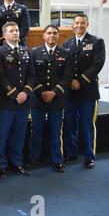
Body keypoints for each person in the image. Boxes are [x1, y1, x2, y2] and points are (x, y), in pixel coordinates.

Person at [63, 14, 106, 169]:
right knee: (69, 124)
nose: (79, 25)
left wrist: (79, 81)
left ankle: (89, 156)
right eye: (77, 23)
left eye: (82, 23)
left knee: (87, 125)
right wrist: (70, 82)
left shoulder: (96, 42)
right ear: (73, 25)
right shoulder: (67, 43)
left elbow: (97, 64)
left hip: (88, 91)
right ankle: (71, 153)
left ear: (87, 24)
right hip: (70, 92)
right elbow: (65, 65)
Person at [0, 22, 35, 178]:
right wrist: (14, 93)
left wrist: (25, 92)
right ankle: (2, 164)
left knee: (19, 134)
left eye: (17, 30)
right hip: (6, 101)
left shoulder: (26, 51)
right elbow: (0, 76)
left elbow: (32, 75)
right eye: (11, 31)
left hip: (23, 101)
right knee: (3, 135)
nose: (15, 33)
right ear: (4, 35)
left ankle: (17, 162)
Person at [30, 25, 72, 172]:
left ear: (59, 36)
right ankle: (34, 158)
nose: (52, 36)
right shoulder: (34, 52)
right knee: (36, 130)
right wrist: (42, 92)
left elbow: (67, 77)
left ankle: (57, 160)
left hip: (57, 99)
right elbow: (31, 75)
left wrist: (54, 93)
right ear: (43, 36)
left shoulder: (66, 53)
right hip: (37, 98)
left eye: (55, 33)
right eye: (49, 33)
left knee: (56, 131)